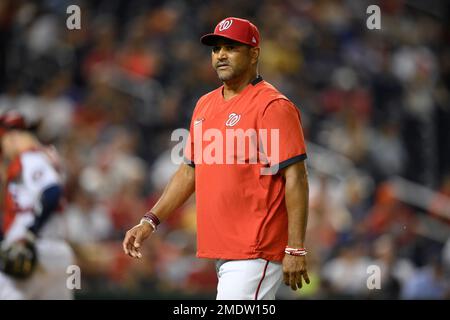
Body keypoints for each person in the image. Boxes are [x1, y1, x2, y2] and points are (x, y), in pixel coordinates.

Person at [123, 17, 310, 300]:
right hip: (223, 250)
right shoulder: (205, 104)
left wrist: (295, 248)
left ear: (254, 53)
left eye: (231, 47)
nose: (220, 55)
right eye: (216, 48)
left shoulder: (272, 106)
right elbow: (189, 172)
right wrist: (150, 221)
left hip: (255, 249)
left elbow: (296, 177)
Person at [0, 111, 74, 299]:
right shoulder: (48, 156)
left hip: (31, 249)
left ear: (13, 137)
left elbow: (52, 191)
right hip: (58, 251)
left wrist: (31, 232)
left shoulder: (29, 159)